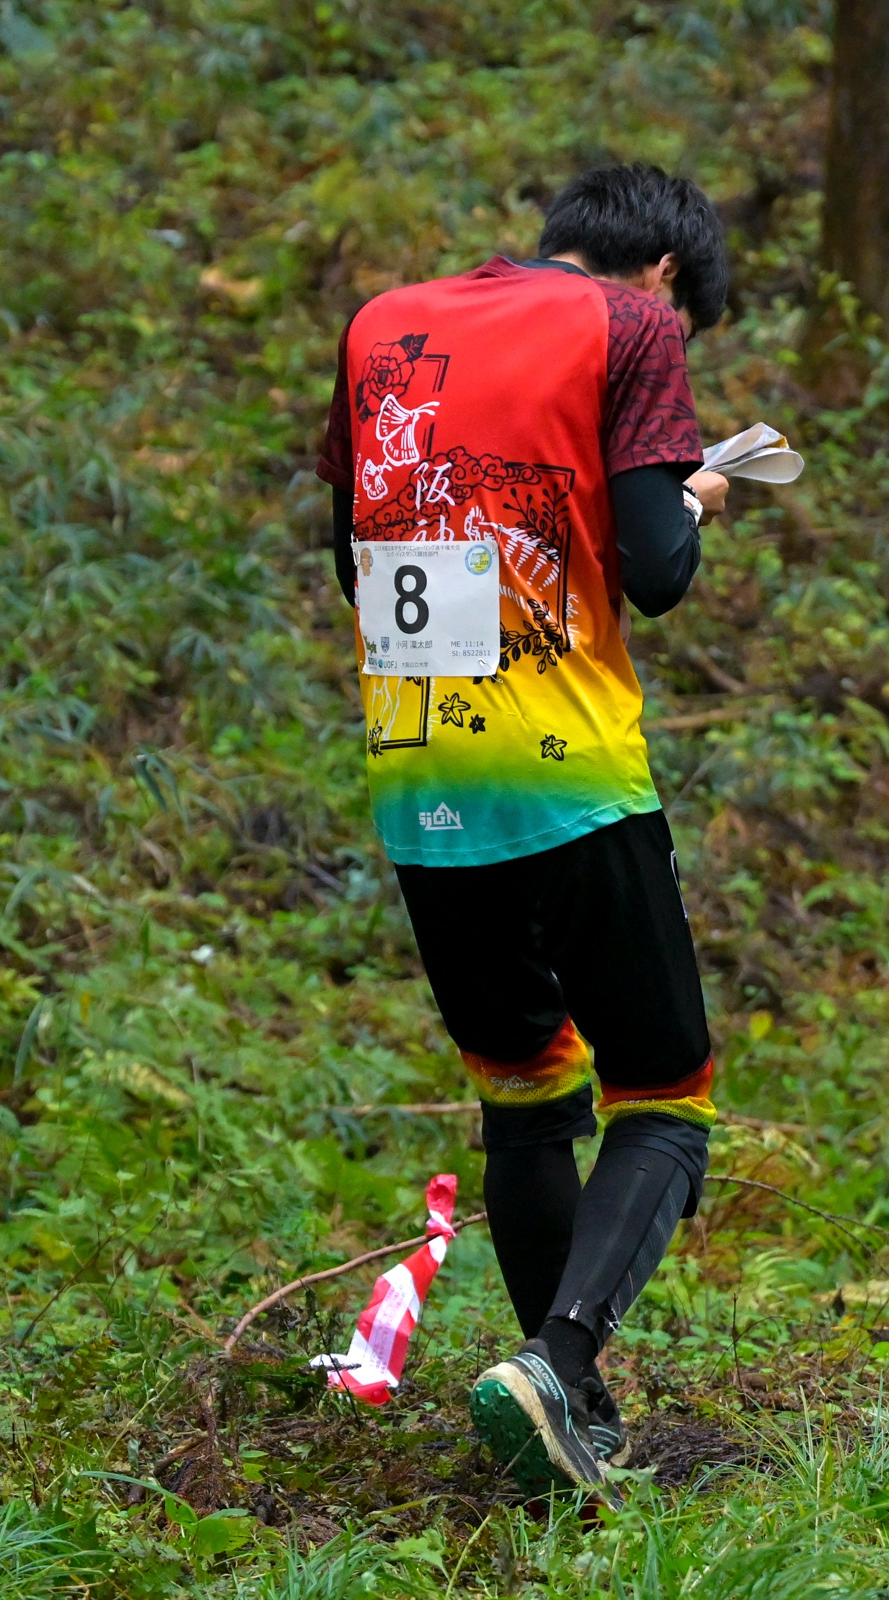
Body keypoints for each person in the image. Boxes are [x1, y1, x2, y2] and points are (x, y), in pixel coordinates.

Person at [313, 163, 733, 1494]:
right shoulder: (634, 324)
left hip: (417, 764)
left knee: (526, 1090)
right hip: (564, 767)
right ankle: (559, 1360)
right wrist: (694, 496)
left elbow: (348, 548)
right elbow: (657, 573)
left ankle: (565, 1416)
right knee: (662, 1095)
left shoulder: (384, 323)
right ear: (662, 272)